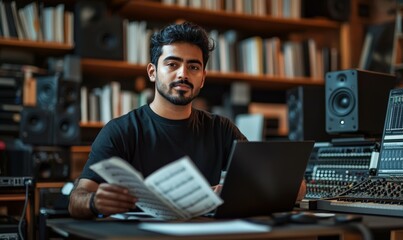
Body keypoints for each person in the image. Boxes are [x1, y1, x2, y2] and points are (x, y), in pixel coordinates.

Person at [68, 21, 306, 219]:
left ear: (202, 78)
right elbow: (76, 201)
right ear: (152, 72)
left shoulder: (220, 129)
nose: (183, 74)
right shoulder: (120, 131)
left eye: (193, 67)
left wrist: (238, 193)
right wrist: (94, 202)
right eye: (172, 64)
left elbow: (296, 188)